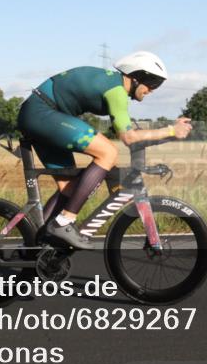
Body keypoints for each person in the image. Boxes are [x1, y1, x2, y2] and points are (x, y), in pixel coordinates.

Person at [16, 51, 192, 249]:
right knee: (108, 152)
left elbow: (132, 134)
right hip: (43, 113)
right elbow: (129, 137)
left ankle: (35, 248)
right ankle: (64, 222)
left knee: (70, 188)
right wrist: (170, 130)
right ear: (136, 77)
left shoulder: (114, 86)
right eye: (152, 83)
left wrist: (170, 133)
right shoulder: (116, 91)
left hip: (40, 114)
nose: (152, 90)